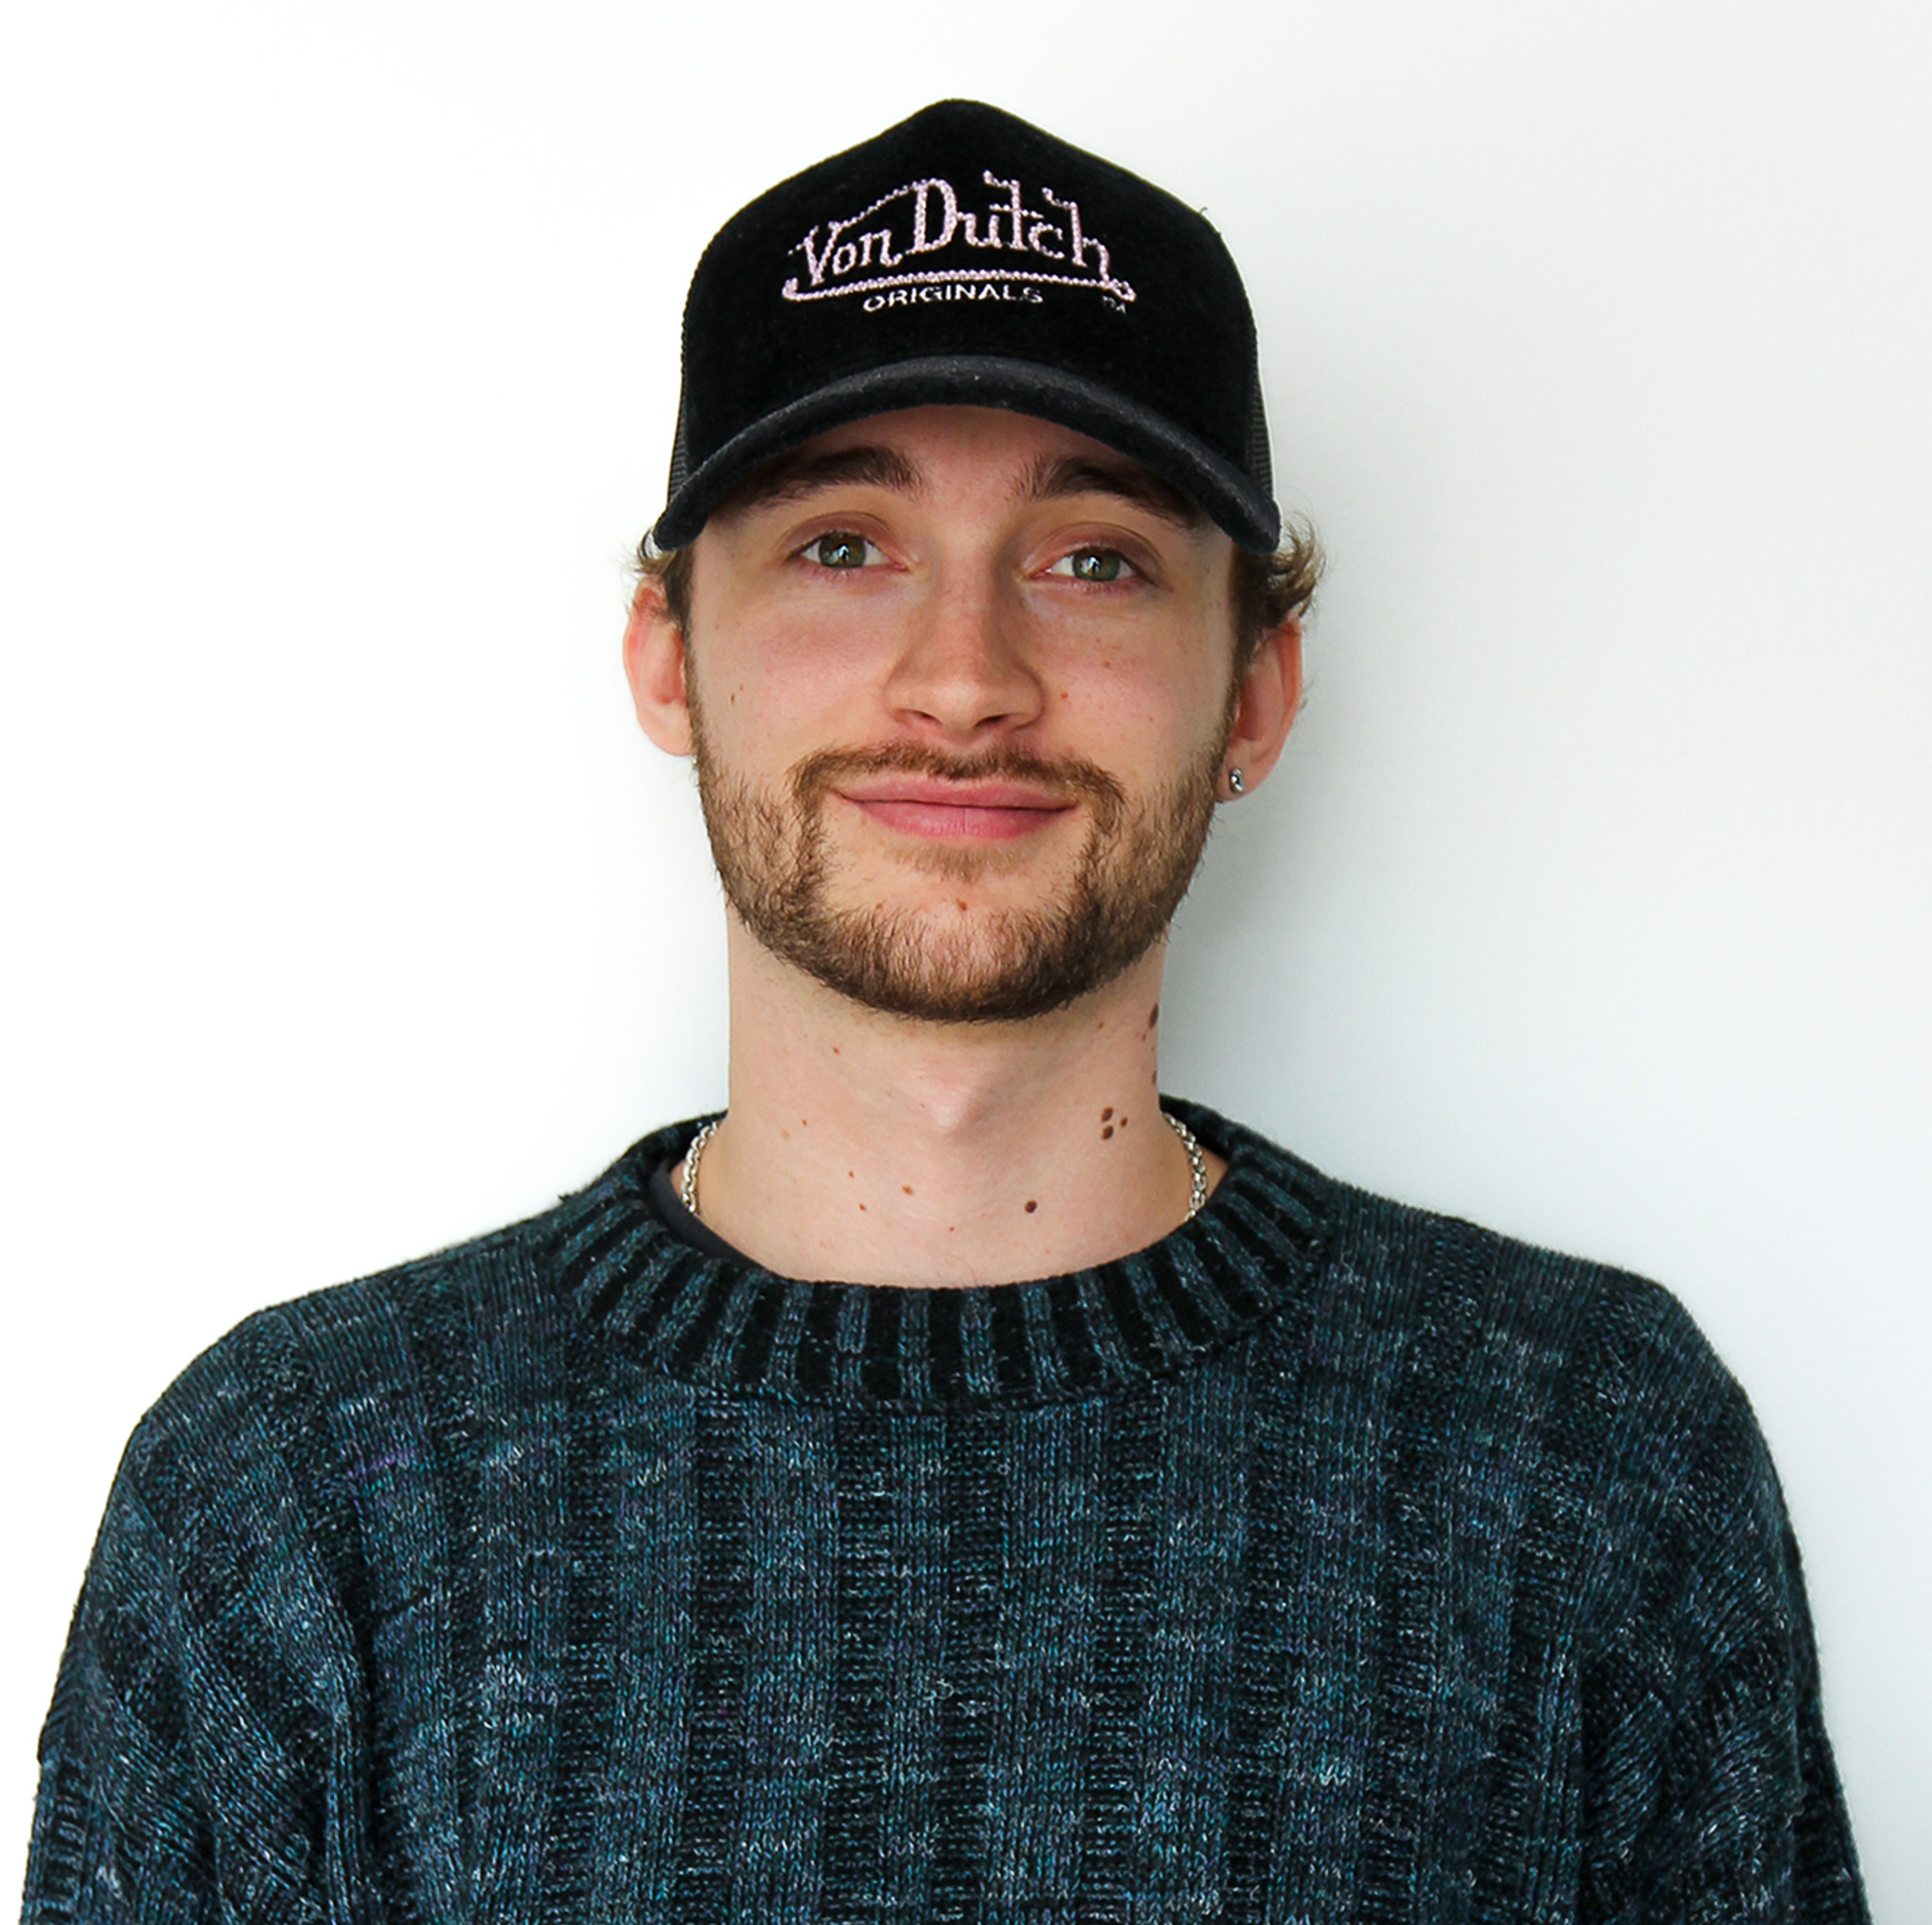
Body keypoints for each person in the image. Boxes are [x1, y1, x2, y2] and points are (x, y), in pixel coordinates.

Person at [23, 99, 1867, 1923]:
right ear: (669, 657)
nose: (965, 679)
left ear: (1255, 688)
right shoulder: (297, 1501)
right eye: (842, 545)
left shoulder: (1581, 1459)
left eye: (1093, 558)